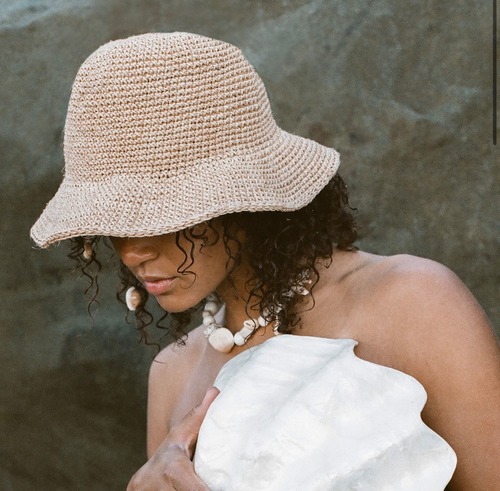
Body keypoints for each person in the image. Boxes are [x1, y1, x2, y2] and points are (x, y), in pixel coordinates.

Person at [31, 32, 499, 490]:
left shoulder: (412, 301)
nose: (133, 251)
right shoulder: (173, 373)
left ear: (242, 198)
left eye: (163, 214)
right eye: (112, 219)